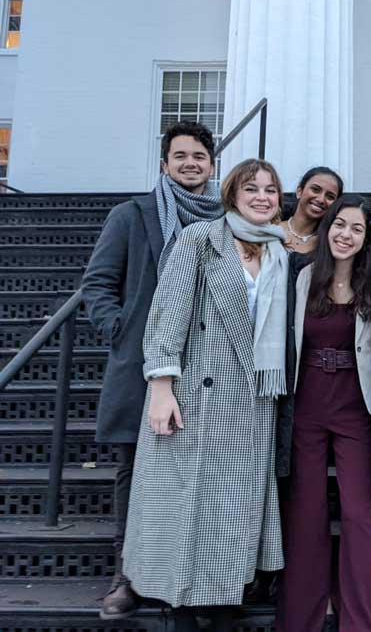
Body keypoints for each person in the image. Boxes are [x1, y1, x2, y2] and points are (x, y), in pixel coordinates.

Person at [122, 158, 288, 632]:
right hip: (196, 393)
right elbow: (167, 312)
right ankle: (178, 599)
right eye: (252, 188)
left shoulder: (277, 250)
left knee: (234, 504)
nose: (262, 197)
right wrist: (160, 385)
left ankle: (220, 594)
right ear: (232, 194)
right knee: (187, 499)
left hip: (253, 398)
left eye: (271, 190)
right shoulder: (200, 239)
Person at [80, 120, 222, 620]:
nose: (190, 163)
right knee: (133, 470)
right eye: (180, 156)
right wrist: (122, 330)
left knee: (198, 473)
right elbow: (96, 285)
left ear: (211, 164)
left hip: (208, 370)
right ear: (164, 164)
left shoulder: (225, 219)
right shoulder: (132, 216)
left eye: (199, 156)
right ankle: (128, 575)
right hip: (142, 366)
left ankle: (190, 569)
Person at [278, 195, 371, 632]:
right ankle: (303, 617)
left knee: (356, 512)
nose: (345, 235)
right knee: (307, 510)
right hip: (308, 400)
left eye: (356, 229)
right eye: (339, 225)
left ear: (367, 238)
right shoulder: (301, 278)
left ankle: (363, 620)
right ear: (326, 227)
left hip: (356, 405)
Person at [280, 166, 343, 254]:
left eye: (330, 196)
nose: (321, 200)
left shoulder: (329, 244)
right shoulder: (271, 230)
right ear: (299, 192)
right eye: (315, 190)